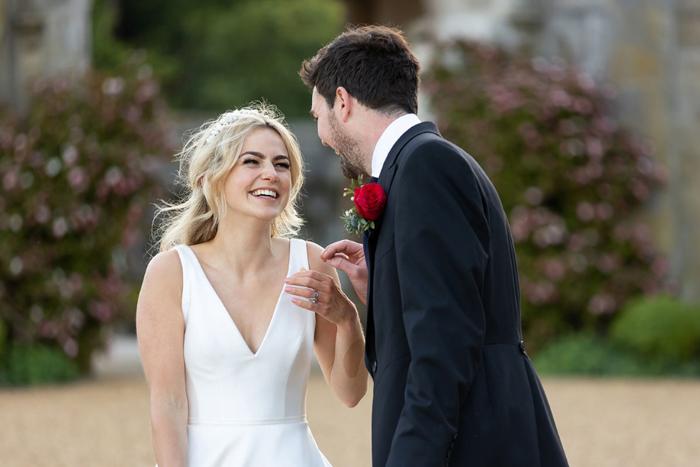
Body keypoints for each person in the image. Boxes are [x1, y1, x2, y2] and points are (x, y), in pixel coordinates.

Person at [300, 26, 569, 466]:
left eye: (318, 116)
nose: (323, 136)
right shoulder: (423, 162)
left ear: (343, 102)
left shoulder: (425, 167)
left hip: (474, 443)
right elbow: (447, 304)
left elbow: (444, 345)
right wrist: (383, 283)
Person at [136, 104, 367, 466]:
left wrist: (348, 319)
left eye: (281, 164)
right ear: (210, 177)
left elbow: (350, 394)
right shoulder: (171, 273)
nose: (270, 175)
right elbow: (168, 405)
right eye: (251, 162)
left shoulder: (312, 261)